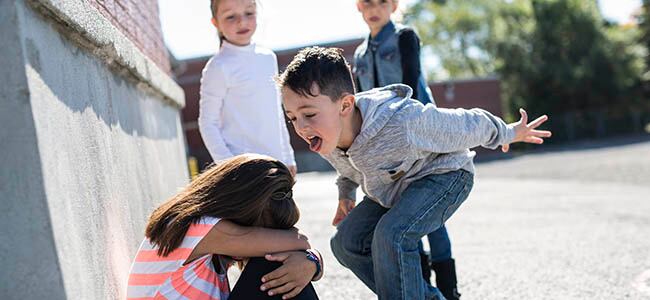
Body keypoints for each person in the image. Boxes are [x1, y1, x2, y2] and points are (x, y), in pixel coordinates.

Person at [277, 47, 551, 300]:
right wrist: (345, 194)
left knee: (391, 235)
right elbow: (348, 169)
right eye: (292, 118)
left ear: (345, 106)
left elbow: (467, 123)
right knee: (346, 242)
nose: (300, 127)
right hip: (393, 188)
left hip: (444, 176)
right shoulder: (328, 135)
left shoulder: (402, 122)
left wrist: (509, 132)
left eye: (309, 114)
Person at [352, 0, 454, 296]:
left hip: (420, 137)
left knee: (431, 215)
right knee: (404, 214)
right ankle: (421, 288)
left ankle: (449, 290)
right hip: (384, 147)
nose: (374, 8)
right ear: (359, 6)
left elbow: (411, 83)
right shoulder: (359, 54)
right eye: (367, 2)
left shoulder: (404, 37)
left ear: (393, 4)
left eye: (381, 1)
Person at [126, 154, 323, 300]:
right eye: (262, 230)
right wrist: (310, 259)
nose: (263, 237)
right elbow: (301, 242)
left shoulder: (206, 233)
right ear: (242, 207)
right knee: (273, 261)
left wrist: (311, 261)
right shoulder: (200, 227)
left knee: (283, 263)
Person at [199, 0, 296, 176]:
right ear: (216, 23)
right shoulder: (218, 66)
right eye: (230, 16)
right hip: (244, 171)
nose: (242, 22)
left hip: (277, 164)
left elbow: (276, 112)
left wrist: (288, 157)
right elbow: (207, 123)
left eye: (249, 13)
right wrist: (229, 166)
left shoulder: (268, 58)